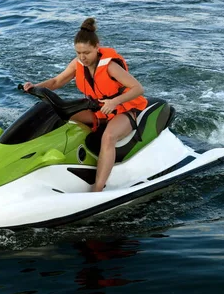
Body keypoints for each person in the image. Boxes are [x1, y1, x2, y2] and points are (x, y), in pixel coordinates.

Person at [23, 18, 147, 192]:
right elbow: (57, 81)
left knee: (109, 137)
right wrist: (35, 87)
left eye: (87, 53)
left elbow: (138, 88)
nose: (83, 57)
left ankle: (97, 188)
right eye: (78, 53)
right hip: (98, 109)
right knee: (60, 115)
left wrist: (114, 102)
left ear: (97, 47)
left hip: (123, 109)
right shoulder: (77, 63)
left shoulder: (111, 66)